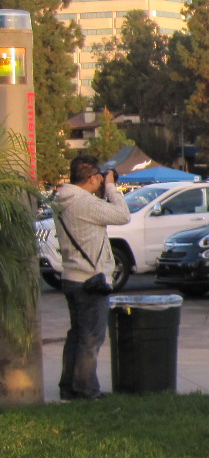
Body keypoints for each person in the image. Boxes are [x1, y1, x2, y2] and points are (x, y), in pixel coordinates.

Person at [52, 155, 130, 400]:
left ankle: (69, 388)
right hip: (90, 280)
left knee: (77, 335)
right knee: (90, 338)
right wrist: (110, 187)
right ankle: (86, 391)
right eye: (99, 178)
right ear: (93, 178)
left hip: (71, 276)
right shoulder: (83, 203)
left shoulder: (64, 199)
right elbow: (122, 215)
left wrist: (102, 185)